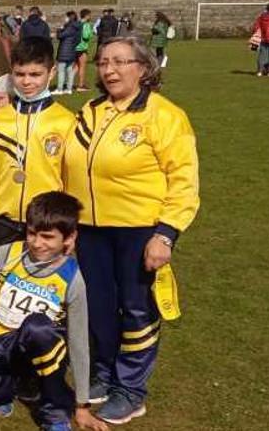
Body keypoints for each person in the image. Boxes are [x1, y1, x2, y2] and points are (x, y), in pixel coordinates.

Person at [62, 36, 199, 424]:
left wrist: (166, 232)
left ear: (143, 67)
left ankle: (131, 390)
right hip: (90, 229)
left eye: (120, 61)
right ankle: (104, 375)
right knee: (99, 309)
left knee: (137, 310)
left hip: (139, 229)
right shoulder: (89, 110)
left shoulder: (164, 115)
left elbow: (184, 179)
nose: (109, 70)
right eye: (104, 61)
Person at [0, 192, 105, 431]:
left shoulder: (73, 279)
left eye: (47, 237)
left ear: (69, 237)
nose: (37, 243)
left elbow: (79, 342)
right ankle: (12, 386)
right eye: (32, 233)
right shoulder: (4, 255)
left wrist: (82, 406)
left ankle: (55, 413)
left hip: (39, 345)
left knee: (37, 326)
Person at [0, 37, 75, 254]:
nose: (27, 82)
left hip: (46, 223)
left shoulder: (66, 121)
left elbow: (71, 178)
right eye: (20, 74)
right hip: (1, 220)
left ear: (52, 72)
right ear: (11, 74)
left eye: (36, 74)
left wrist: (71, 225)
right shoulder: (0, 118)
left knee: (40, 286)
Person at [55, 12, 82, 95]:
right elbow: (78, 40)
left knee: (61, 70)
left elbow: (60, 36)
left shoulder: (70, 27)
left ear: (69, 18)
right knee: (69, 70)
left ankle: (60, 89)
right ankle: (69, 88)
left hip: (65, 51)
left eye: (66, 17)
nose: (64, 19)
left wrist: (60, 29)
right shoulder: (77, 27)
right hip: (72, 50)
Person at [75, 9, 94, 91]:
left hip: (75, 47)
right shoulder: (86, 24)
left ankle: (67, 84)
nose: (90, 17)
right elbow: (86, 36)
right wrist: (91, 34)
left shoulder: (77, 23)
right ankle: (81, 85)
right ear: (86, 16)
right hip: (82, 47)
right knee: (82, 67)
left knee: (75, 67)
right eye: (90, 15)